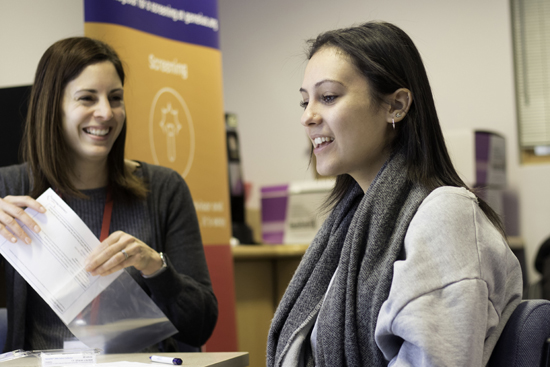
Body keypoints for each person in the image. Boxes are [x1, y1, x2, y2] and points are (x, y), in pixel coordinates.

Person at [267, 21, 522, 366]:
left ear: (396, 106)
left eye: (328, 97)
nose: (308, 117)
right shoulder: (352, 226)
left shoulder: (446, 217)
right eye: (304, 102)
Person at [0, 37, 217, 352]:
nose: (106, 112)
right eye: (87, 98)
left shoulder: (164, 189)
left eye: (115, 98)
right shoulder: (9, 190)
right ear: (52, 108)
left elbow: (201, 327)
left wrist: (155, 266)